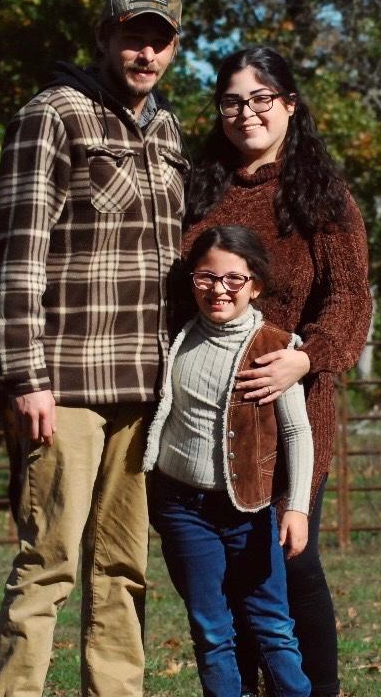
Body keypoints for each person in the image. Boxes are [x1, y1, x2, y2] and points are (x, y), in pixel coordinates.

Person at [0, 0, 189, 697]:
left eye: (159, 38)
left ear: (173, 47)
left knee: (124, 569)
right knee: (49, 563)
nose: (145, 51)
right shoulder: (52, 116)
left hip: (146, 388)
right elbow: (15, 255)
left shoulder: (166, 130)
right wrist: (25, 378)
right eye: (133, 35)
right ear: (104, 37)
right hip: (66, 383)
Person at [182, 46, 372, 697]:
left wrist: (305, 358)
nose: (248, 113)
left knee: (292, 561)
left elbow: (348, 297)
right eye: (233, 100)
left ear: (290, 105)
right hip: (209, 418)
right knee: (226, 577)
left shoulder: (320, 197)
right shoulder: (197, 190)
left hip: (293, 412)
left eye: (263, 98)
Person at [143, 224, 313, 697]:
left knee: (272, 624)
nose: (219, 289)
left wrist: (296, 508)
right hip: (182, 510)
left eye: (233, 280)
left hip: (250, 513)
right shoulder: (176, 338)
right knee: (211, 628)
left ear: (254, 284)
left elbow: (298, 432)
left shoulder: (276, 348)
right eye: (206, 278)